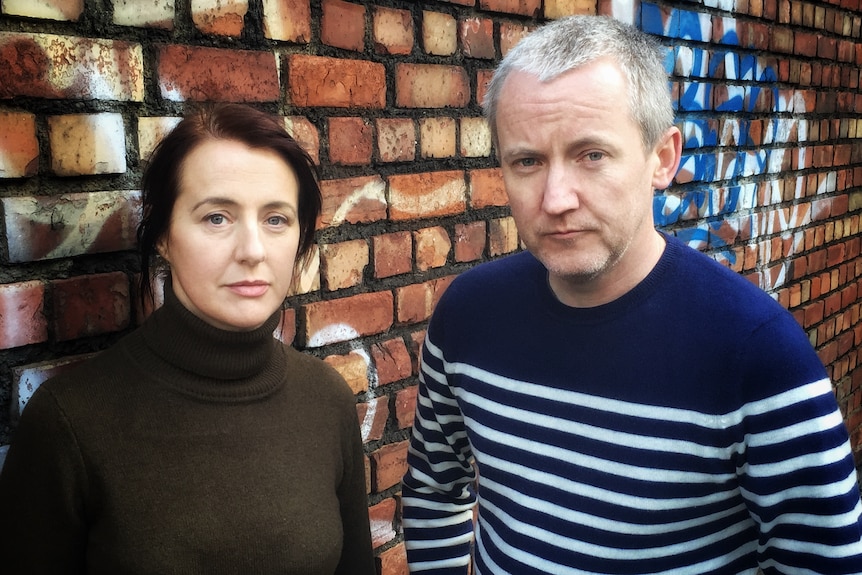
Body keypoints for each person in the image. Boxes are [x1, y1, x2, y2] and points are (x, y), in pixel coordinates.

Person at [401, 15, 862, 575]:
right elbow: (434, 492)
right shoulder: (468, 318)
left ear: (662, 159)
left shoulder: (756, 353)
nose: (556, 197)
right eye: (527, 161)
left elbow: (824, 561)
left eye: (592, 154)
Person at [0, 103, 376, 574]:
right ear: (162, 235)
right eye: (217, 217)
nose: (253, 251)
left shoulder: (326, 399)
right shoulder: (71, 423)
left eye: (276, 219)